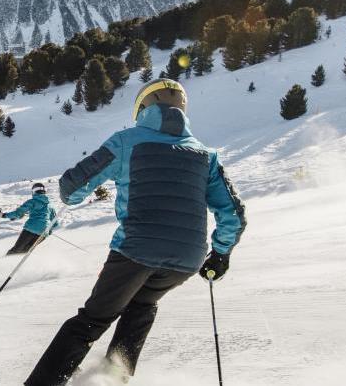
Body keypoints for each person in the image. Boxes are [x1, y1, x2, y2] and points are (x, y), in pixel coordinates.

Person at [25, 79, 246, 385]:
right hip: (186, 259)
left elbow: (71, 185)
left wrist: (72, 196)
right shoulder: (206, 155)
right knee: (142, 305)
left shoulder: (128, 141)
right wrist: (220, 254)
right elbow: (234, 214)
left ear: (143, 107)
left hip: (136, 250)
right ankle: (111, 379)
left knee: (93, 319)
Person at [0, 183, 56, 255]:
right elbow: (55, 222)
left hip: (31, 229)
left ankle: (5, 263)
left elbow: (18, 213)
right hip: (44, 232)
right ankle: (19, 263)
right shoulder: (50, 205)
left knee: (16, 250)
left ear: (33, 191)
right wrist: (49, 230)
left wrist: (3, 215)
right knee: (26, 250)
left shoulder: (32, 201)